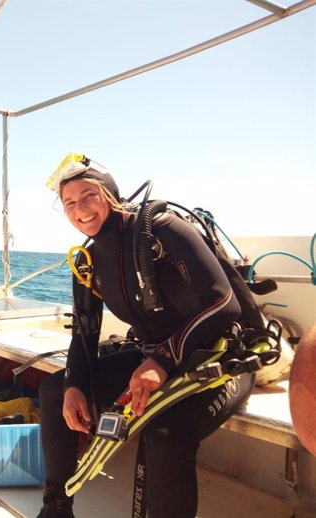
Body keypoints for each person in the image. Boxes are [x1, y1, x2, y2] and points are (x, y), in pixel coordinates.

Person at [36, 153, 256, 518]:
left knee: (165, 434)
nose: (81, 209)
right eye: (69, 202)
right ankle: (56, 509)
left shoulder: (162, 230)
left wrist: (164, 359)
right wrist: (75, 383)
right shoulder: (87, 261)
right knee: (54, 389)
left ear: (109, 193)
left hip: (223, 359)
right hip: (154, 359)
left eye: (89, 195)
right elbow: (84, 334)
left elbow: (224, 306)